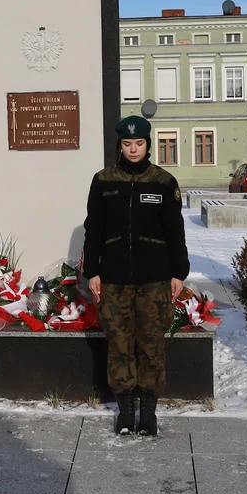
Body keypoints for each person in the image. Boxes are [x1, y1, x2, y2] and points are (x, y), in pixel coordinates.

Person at [83, 115, 189, 436]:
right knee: (119, 344)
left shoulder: (163, 182)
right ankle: (126, 410)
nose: (133, 150)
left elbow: (176, 231)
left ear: (148, 145)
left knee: (151, 343)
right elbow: (93, 229)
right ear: (120, 145)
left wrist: (178, 272)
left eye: (139, 144)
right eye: (127, 144)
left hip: (155, 279)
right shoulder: (103, 181)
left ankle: (149, 412)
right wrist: (93, 272)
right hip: (114, 279)